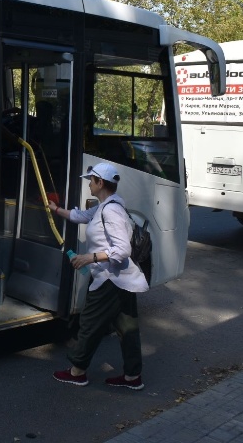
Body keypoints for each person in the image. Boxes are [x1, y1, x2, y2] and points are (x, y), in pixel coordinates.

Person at [47, 162, 149, 390]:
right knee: (127, 329)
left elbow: (122, 250)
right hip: (124, 279)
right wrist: (56, 209)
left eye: (91, 181)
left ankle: (77, 372)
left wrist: (89, 258)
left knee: (89, 324)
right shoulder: (106, 206)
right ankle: (133, 377)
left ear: (100, 183)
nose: (89, 185)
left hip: (109, 279)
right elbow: (81, 216)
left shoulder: (110, 210)